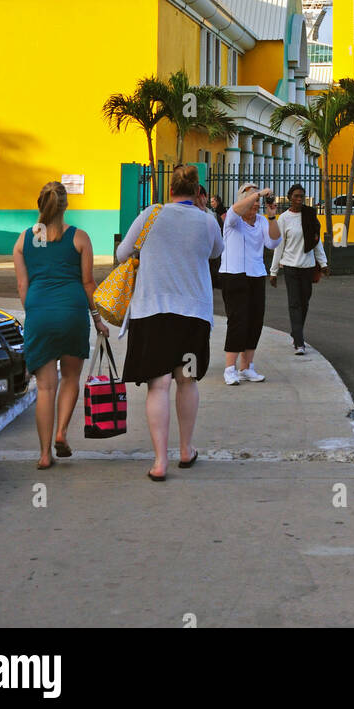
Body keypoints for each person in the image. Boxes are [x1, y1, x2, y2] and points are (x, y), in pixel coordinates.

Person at [117, 165, 222, 481]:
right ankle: (186, 450)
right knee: (187, 380)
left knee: (158, 384)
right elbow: (216, 251)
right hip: (193, 314)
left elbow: (123, 253)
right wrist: (206, 214)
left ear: (169, 189)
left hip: (153, 312)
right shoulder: (207, 221)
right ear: (197, 191)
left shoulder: (151, 214)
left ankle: (160, 462)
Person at [13, 180, 108, 469]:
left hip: (39, 312)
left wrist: (35, 309)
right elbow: (88, 283)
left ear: (40, 204)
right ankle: (61, 432)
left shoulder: (24, 239)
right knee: (70, 378)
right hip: (72, 313)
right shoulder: (79, 238)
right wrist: (98, 319)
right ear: (65, 205)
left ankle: (44, 455)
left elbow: (21, 284)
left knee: (44, 388)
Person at [220, 184, 281, 384]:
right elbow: (237, 209)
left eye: (258, 201)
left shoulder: (262, 221)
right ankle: (230, 368)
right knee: (238, 320)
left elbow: (273, 242)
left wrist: (272, 217)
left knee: (255, 320)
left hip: (255, 274)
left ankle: (247, 367)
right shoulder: (233, 218)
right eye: (253, 200)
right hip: (234, 274)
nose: (256, 204)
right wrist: (257, 193)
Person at [269, 184, 327, 353]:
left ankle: (296, 333)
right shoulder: (284, 219)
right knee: (294, 303)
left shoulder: (309, 216)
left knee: (304, 302)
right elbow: (279, 247)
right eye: (296, 196)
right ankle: (299, 342)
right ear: (289, 198)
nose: (299, 199)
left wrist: (323, 263)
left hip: (307, 267)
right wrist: (273, 272)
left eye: (302, 196)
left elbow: (316, 241)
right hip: (290, 267)